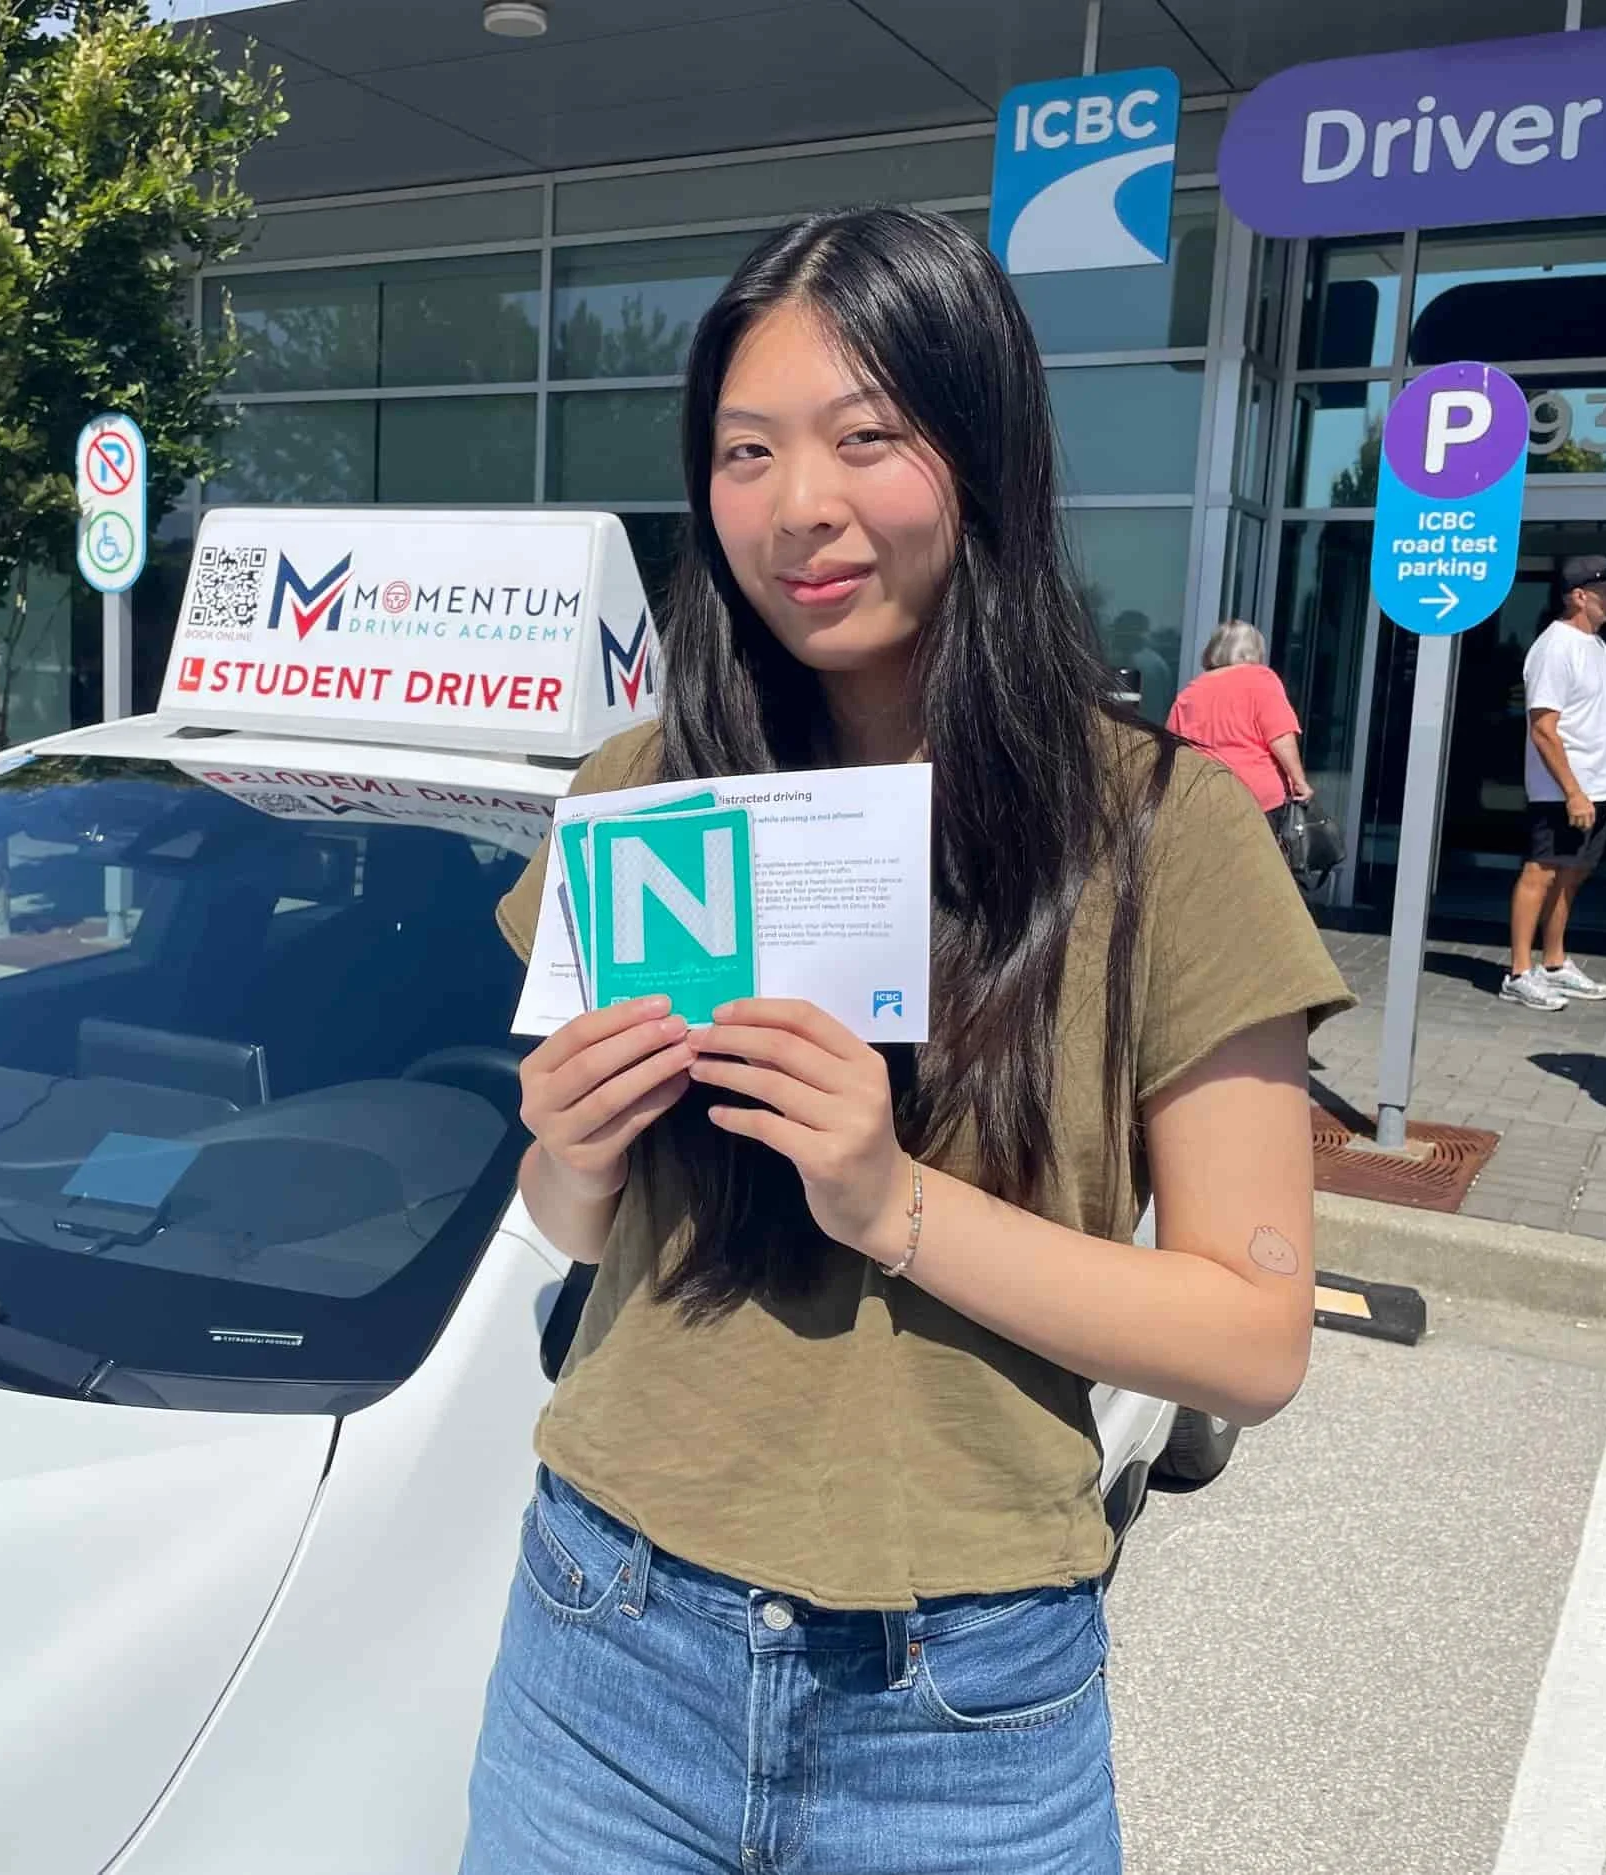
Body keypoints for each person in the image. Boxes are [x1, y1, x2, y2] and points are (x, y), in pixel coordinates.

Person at [464, 207, 1354, 1875]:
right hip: (605, 1638)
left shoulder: (1167, 831)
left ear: (983, 450)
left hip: (963, 1705)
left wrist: (891, 1205)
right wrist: (570, 1144)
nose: (798, 506)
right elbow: (573, 1228)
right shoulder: (646, 800)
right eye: (744, 452)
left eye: (865, 438)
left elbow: (1254, 1341)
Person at [1502, 556, 1606, 1011]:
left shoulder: (1596, 646)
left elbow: (1599, 719)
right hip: (1561, 789)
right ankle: (1519, 972)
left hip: (1597, 787)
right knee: (1541, 872)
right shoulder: (1554, 647)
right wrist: (1573, 791)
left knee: (1572, 875)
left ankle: (1554, 963)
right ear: (1580, 595)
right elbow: (1543, 727)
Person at [1166, 621, 1312, 812]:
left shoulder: (1191, 691)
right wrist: (1299, 781)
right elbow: (1279, 735)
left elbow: (1171, 747)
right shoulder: (1261, 679)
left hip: (1202, 798)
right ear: (1255, 650)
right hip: (1255, 799)